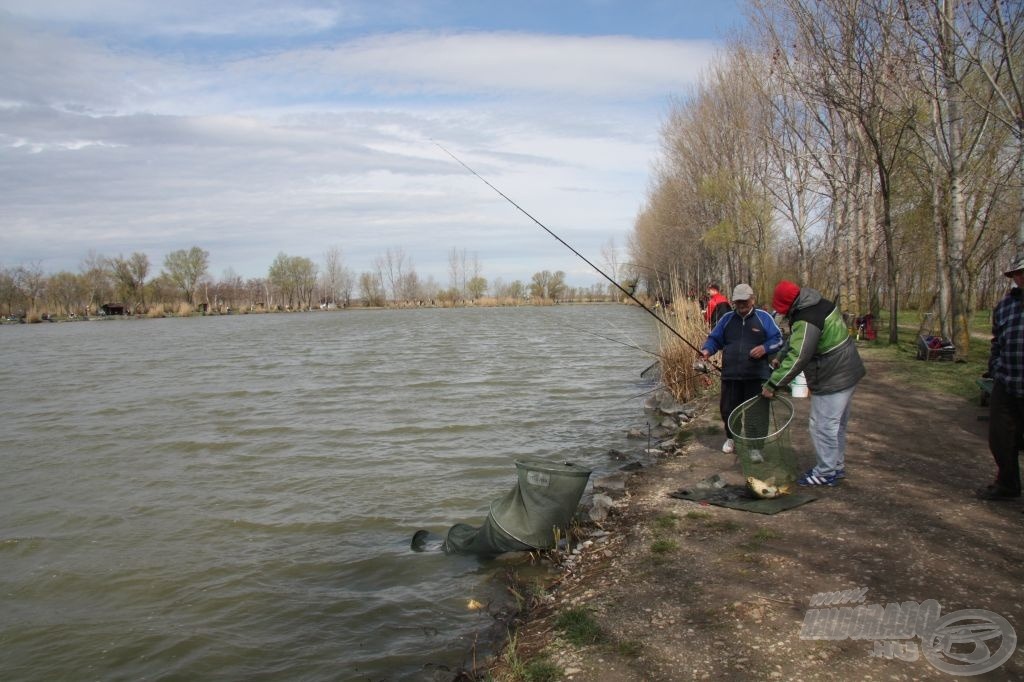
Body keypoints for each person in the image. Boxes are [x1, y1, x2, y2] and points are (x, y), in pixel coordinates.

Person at [761, 280, 866, 486]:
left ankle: (826, 472)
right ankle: (835, 466)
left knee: (822, 426)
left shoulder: (806, 318)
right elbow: (799, 340)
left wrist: (773, 384)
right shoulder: (817, 303)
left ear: (788, 304)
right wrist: (781, 355)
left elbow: (800, 356)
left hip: (833, 375)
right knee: (836, 426)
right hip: (848, 370)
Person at [701, 284, 783, 454]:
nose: (742, 305)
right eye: (738, 301)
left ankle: (755, 447)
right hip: (730, 375)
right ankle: (732, 439)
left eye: (745, 301)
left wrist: (765, 348)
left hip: (756, 375)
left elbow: (779, 339)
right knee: (728, 410)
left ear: (752, 299)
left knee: (757, 413)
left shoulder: (764, 318)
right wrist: (707, 350)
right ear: (734, 302)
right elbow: (714, 339)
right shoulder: (727, 319)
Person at [976, 256, 1024, 501]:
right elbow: (997, 342)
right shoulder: (1004, 306)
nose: (1021, 277)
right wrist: (994, 368)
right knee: (1001, 438)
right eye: (1018, 273)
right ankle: (1007, 484)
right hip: (1006, 381)